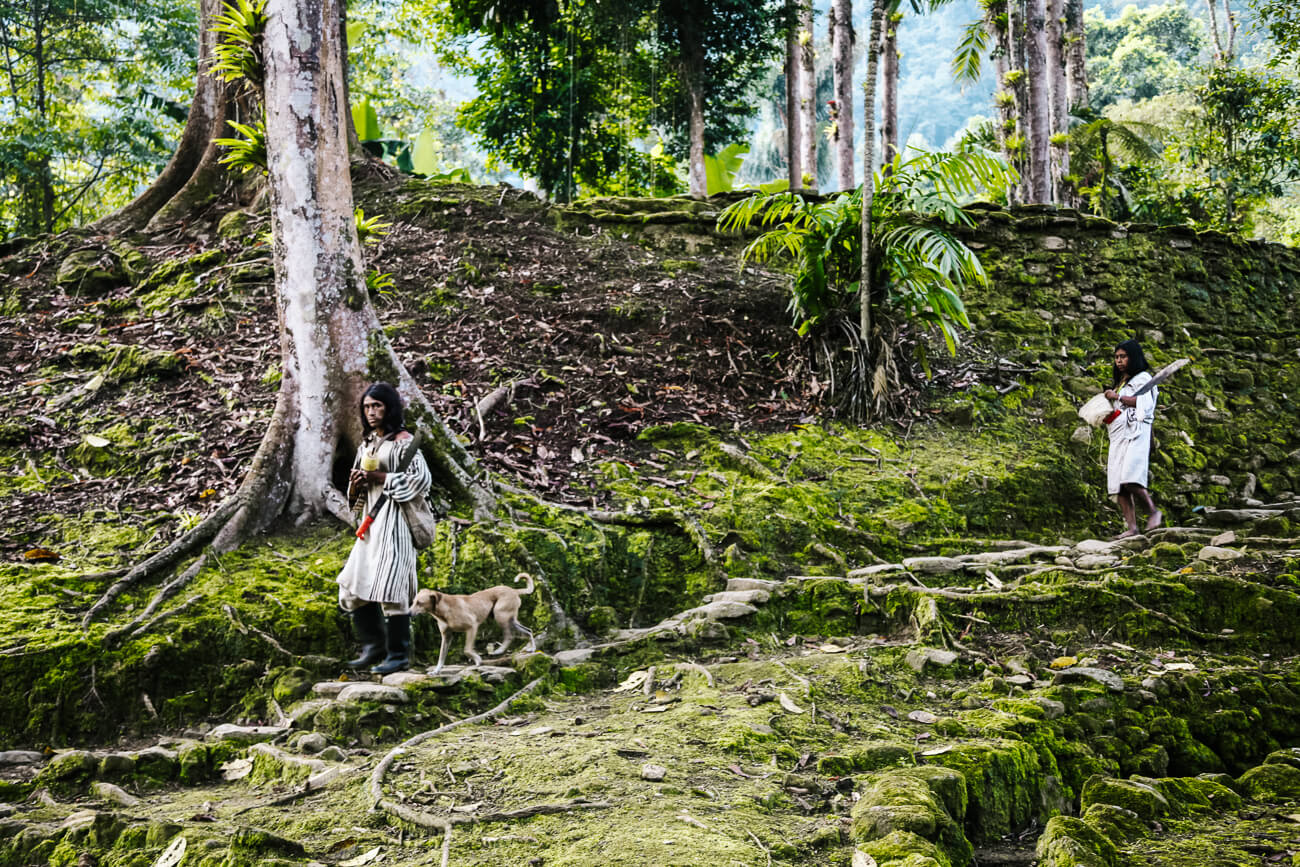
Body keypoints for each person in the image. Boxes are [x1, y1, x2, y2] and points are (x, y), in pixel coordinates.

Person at [337, 382, 432, 674]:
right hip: (371, 523)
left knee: (392, 589)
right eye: (367, 407)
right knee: (351, 588)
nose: (371, 412)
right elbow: (359, 489)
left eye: (377, 406)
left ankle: (398, 655)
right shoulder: (368, 444)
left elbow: (421, 482)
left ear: (389, 407)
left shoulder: (404, 442)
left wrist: (380, 477)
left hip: (396, 523)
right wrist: (357, 483)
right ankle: (374, 647)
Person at [1103, 339, 1162, 539]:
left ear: (1133, 357)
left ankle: (1153, 512)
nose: (1119, 361)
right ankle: (1132, 527)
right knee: (1118, 484)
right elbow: (1118, 409)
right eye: (1117, 357)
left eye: (1123, 357)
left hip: (1136, 433)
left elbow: (1144, 403)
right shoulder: (1121, 383)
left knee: (1131, 478)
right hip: (1118, 435)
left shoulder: (1144, 379)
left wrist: (1116, 397)